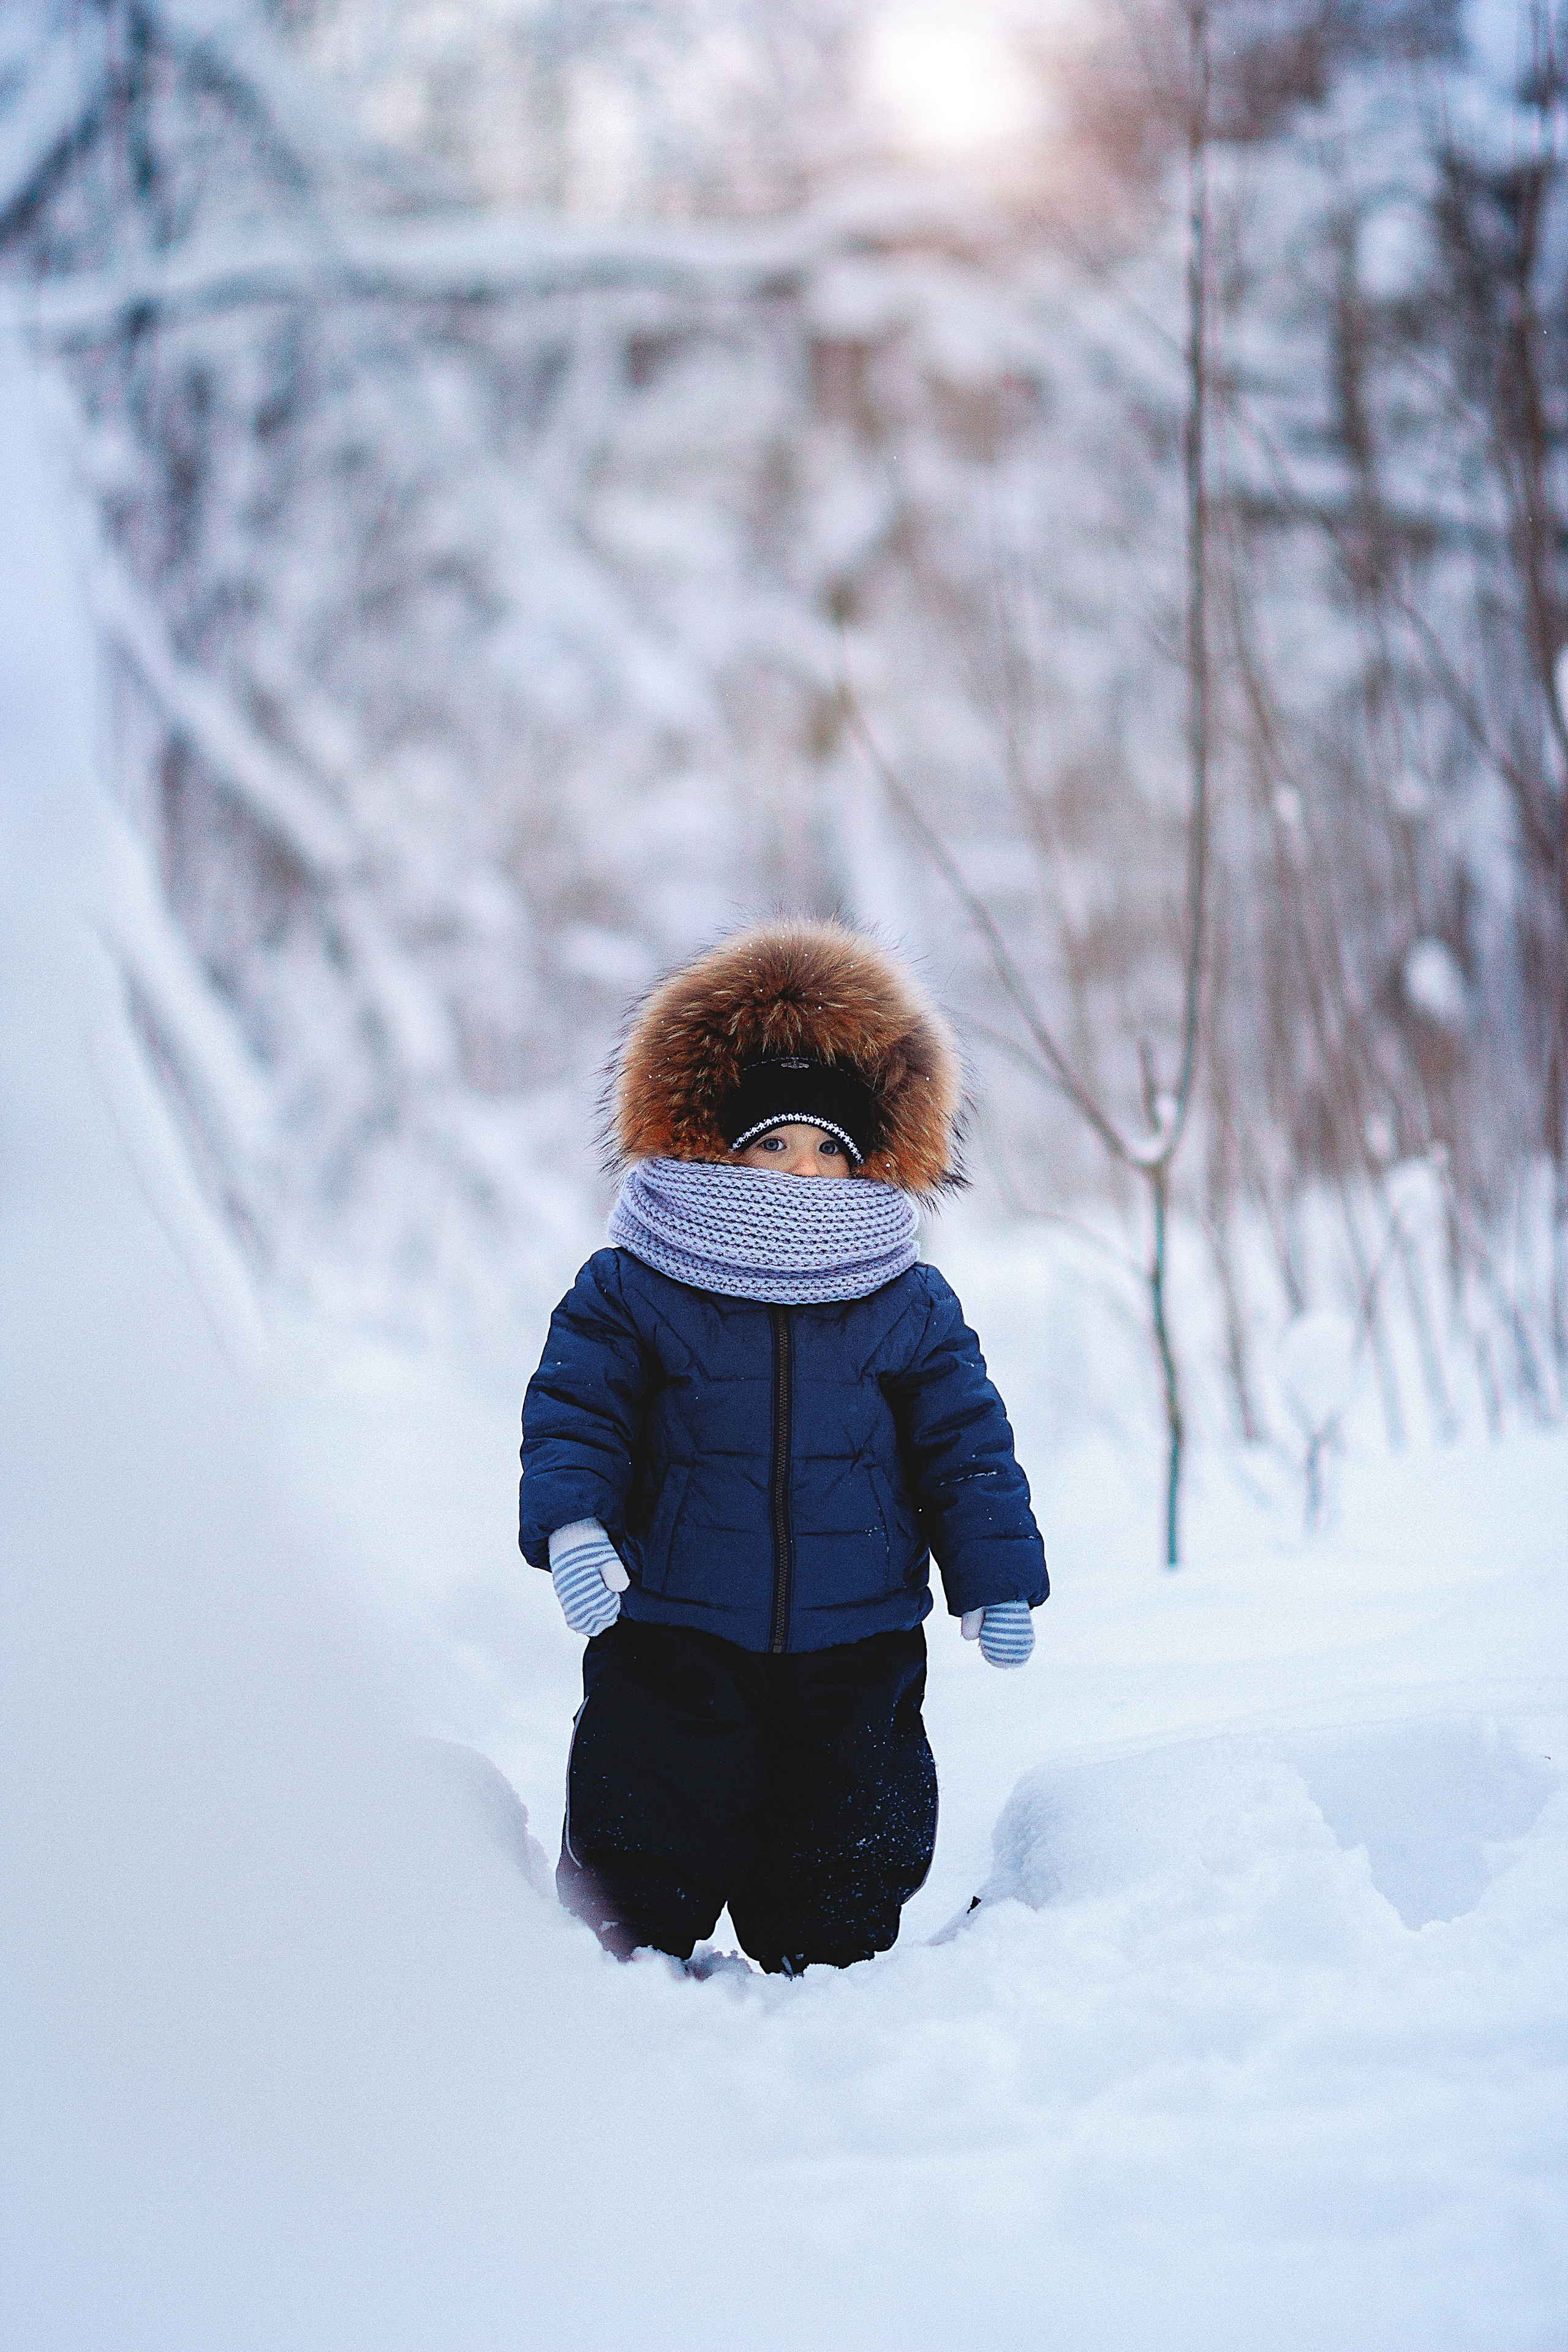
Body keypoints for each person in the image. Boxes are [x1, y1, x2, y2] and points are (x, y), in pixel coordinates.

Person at [518, 918, 1048, 1974]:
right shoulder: (636, 1284)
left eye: (827, 1150)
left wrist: (996, 1577)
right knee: (648, 1810)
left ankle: (833, 1978)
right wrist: (574, 1525)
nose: (801, 1173)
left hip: (856, 1641)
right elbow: (577, 1411)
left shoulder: (905, 1298)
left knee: (848, 1836)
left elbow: (965, 1446)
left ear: (867, 1159)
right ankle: (622, 1974)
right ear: (716, 1141)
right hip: (672, 1625)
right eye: (773, 1145)